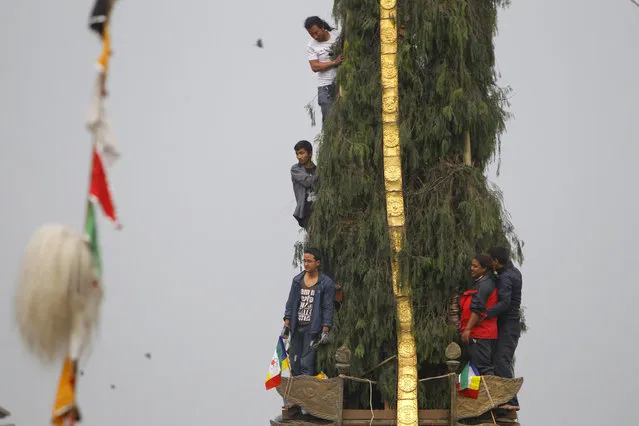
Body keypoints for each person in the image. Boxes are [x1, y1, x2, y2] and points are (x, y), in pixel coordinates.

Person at [282, 248, 336, 376]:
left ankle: (307, 390)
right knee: (294, 361)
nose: (306, 264)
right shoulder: (297, 281)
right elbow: (290, 303)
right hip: (297, 327)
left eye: (309, 261)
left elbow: (328, 307)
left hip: (312, 329)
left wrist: (325, 329)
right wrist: (286, 324)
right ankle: (295, 389)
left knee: (306, 362)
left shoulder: (325, 283)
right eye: (304, 261)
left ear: (317, 263)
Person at [485, 247, 523, 411]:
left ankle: (512, 401)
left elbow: (505, 303)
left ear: (496, 261)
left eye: (490, 261)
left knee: (501, 361)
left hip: (508, 325)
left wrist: (485, 314)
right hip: (511, 325)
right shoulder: (513, 272)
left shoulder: (506, 277)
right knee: (500, 360)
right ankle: (504, 399)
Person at [459, 253, 499, 376]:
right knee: (477, 367)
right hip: (477, 333)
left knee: (483, 368)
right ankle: (481, 394)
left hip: (482, 333)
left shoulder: (485, 285)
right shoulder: (480, 282)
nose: (472, 268)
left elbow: (477, 308)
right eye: (471, 265)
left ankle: (490, 394)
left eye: (475, 266)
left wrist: (468, 329)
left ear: (484, 268)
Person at [304, 16, 344, 123]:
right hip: (325, 86)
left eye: (316, 32)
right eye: (311, 34)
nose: (314, 36)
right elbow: (315, 67)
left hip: (342, 82)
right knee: (329, 120)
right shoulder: (311, 45)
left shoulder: (337, 35)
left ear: (322, 27)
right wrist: (334, 62)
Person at [291, 140, 318, 229]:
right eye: (297, 154)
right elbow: (307, 182)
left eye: (301, 153)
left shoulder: (317, 170)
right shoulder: (295, 169)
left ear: (310, 153)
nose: (298, 157)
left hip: (318, 209)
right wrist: (321, 175)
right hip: (306, 212)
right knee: (314, 236)